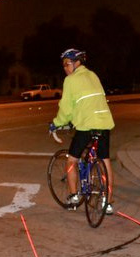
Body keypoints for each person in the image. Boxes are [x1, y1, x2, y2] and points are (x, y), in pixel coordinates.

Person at [49, 48, 115, 214]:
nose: (65, 68)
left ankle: (73, 196)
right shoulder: (93, 75)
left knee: (72, 160)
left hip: (86, 125)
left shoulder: (70, 80)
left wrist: (56, 123)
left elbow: (65, 109)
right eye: (63, 65)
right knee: (104, 159)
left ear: (76, 63)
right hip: (105, 122)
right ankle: (108, 202)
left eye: (67, 64)